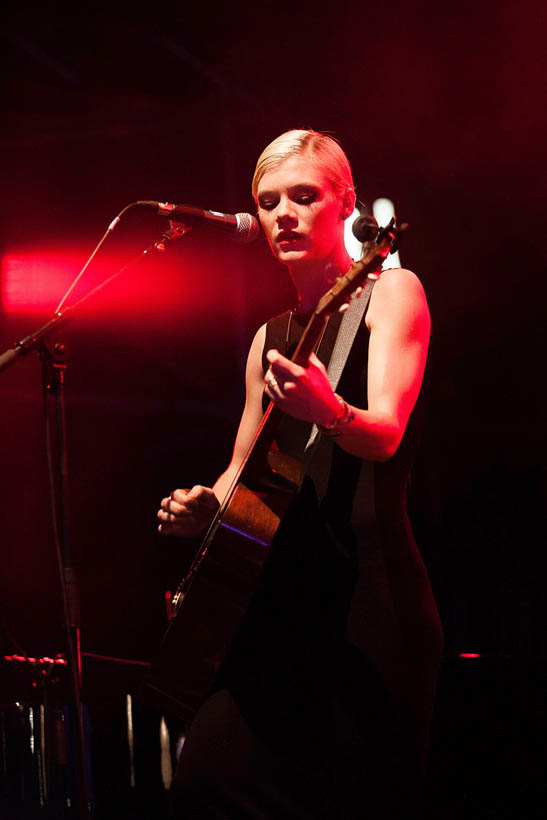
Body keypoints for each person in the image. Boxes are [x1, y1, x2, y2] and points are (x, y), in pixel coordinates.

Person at [157, 129, 443, 818]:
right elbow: (241, 474)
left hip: (369, 602)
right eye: (268, 201)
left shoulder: (393, 292)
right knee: (207, 772)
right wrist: (205, 505)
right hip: (283, 605)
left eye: (304, 196)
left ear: (344, 204)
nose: (282, 213)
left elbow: (383, 436)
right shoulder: (268, 337)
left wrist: (330, 409)